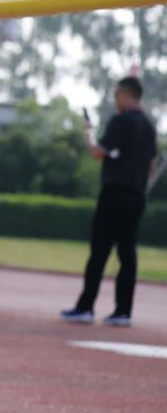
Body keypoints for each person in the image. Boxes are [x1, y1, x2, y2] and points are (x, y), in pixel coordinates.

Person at [61, 77, 158, 328]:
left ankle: (86, 307)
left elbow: (97, 152)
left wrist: (88, 133)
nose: (116, 101)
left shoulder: (121, 121)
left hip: (114, 193)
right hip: (136, 196)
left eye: (117, 96)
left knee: (100, 251)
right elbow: (150, 166)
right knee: (128, 253)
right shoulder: (149, 126)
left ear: (126, 95)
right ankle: (123, 311)